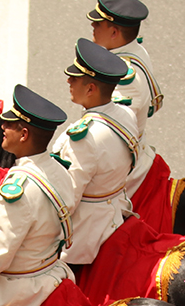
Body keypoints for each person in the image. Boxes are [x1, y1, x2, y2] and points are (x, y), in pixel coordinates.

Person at [0, 84, 76, 306]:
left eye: (10, 125)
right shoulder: (58, 169)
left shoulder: (18, 192)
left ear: (24, 134)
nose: (3, 126)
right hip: (51, 274)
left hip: (15, 297)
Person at [51, 38, 139, 268]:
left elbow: (67, 201)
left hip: (85, 236)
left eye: (75, 79)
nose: (69, 81)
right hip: (116, 215)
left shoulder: (83, 139)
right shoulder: (125, 114)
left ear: (91, 88)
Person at [86, 0, 161, 198]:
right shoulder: (133, 51)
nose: (92, 25)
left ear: (113, 32)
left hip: (123, 170)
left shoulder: (123, 76)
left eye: (98, 23)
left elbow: (111, 132)